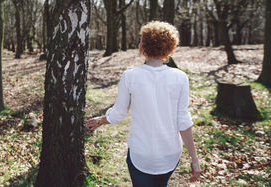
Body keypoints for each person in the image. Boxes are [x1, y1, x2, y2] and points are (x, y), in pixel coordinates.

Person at [86, 21, 201, 187]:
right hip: (170, 155)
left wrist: (100, 121)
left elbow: (118, 115)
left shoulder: (130, 76)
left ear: (143, 47)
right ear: (170, 47)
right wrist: (194, 159)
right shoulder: (180, 77)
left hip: (141, 155)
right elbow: (184, 122)